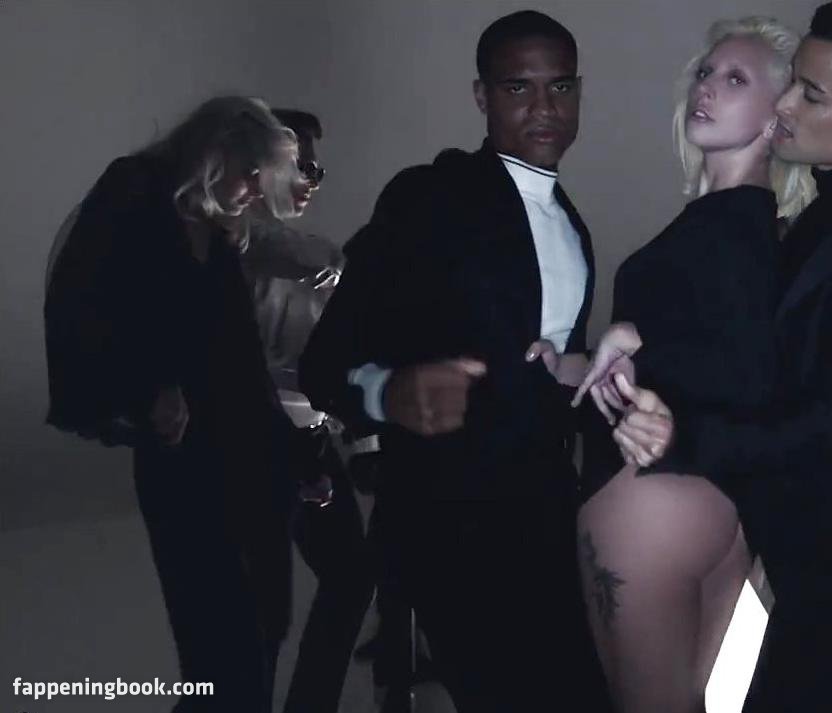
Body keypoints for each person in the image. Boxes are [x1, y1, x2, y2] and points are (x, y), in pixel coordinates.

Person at [605, 2, 832, 709]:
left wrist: (685, 439)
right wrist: (640, 342)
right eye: (792, 81)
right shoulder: (821, 220)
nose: (784, 105)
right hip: (811, 563)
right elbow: (764, 357)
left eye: (811, 94)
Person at [298, 10, 609, 712]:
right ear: (482, 96)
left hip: (550, 518)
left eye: (560, 87)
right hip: (451, 523)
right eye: (518, 88)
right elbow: (326, 363)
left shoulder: (573, 225)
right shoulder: (431, 196)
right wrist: (388, 391)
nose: (544, 108)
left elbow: (550, 379)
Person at [571, 16, 811, 713]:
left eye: (736, 79)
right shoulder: (753, 230)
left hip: (652, 507)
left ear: (776, 117)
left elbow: (741, 369)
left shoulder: (734, 230)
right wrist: (584, 360)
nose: (706, 87)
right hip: (723, 512)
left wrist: (632, 341)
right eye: (706, 72)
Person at [45, 96, 312, 712]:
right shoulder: (135, 191)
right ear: (217, 154)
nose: (256, 190)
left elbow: (241, 360)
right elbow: (81, 311)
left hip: (251, 457)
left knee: (264, 632)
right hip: (189, 457)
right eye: (251, 173)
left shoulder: (216, 235)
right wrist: (143, 392)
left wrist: (297, 457)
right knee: (220, 651)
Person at [240, 108, 377, 713]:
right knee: (261, 601)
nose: (313, 179)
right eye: (302, 165)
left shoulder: (321, 262)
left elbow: (347, 357)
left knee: (353, 577)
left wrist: (362, 441)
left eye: (318, 169)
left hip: (314, 435)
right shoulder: (229, 245)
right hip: (251, 435)